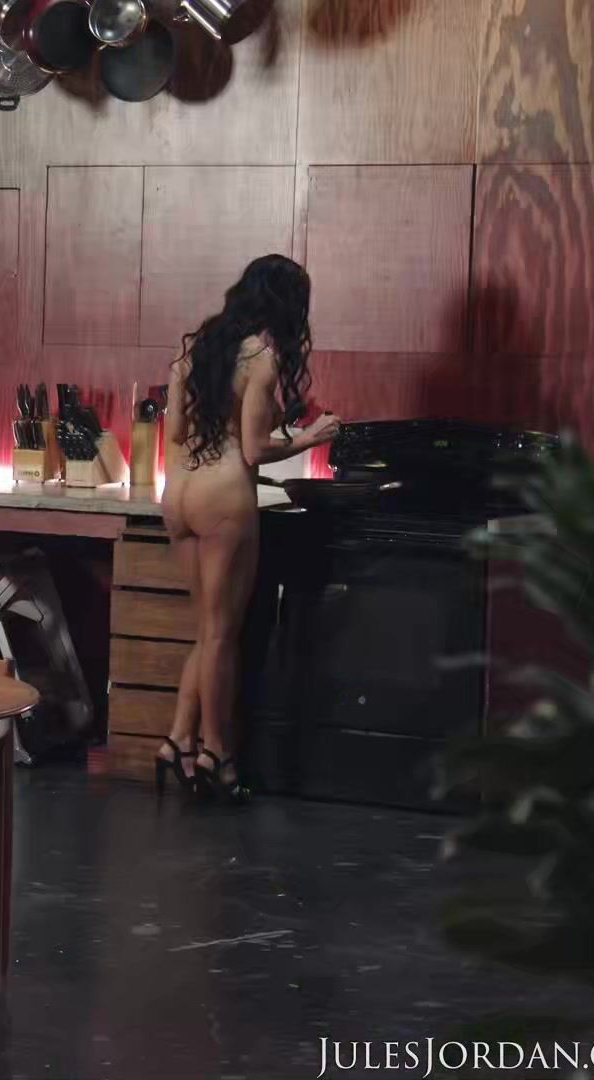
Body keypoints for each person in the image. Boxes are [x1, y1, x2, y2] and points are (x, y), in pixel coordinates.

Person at [157, 254, 341, 802]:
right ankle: (217, 754)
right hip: (222, 499)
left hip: (179, 494)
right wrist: (312, 437)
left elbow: (175, 432)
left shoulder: (193, 351)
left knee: (206, 631)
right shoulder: (261, 356)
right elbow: (255, 450)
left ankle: (177, 741)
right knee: (221, 634)